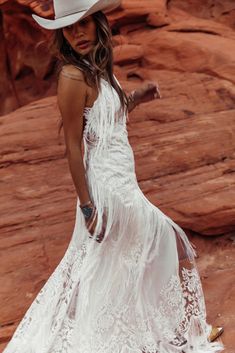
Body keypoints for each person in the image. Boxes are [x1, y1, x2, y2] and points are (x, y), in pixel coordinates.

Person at [3, 1, 224, 352]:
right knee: (166, 241)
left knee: (113, 265)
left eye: (85, 23)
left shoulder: (96, 70)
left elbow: (109, 112)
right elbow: (73, 148)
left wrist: (137, 96)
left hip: (123, 181)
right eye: (70, 27)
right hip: (107, 191)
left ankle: (144, 336)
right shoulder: (72, 77)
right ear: (61, 33)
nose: (78, 33)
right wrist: (88, 207)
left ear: (99, 24)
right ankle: (185, 333)